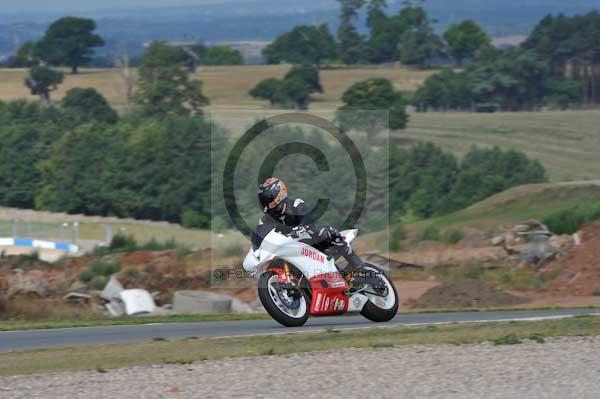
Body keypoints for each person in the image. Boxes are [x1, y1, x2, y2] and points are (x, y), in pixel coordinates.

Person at [251, 177, 364, 270]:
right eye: (264, 200)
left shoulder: (295, 204)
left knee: (329, 233)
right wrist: (256, 250)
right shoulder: (267, 219)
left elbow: (307, 218)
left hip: (311, 240)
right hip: (289, 250)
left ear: (278, 194)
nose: (267, 203)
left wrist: (301, 228)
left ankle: (359, 266)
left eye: (268, 199)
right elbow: (258, 233)